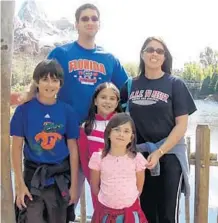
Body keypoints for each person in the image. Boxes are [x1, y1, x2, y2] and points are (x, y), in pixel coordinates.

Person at [121, 36, 197, 223]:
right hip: (140, 157)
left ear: (165, 57)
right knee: (145, 212)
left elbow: (182, 124)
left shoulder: (175, 84)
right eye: (150, 49)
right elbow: (116, 117)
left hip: (169, 156)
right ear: (142, 54)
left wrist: (160, 152)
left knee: (167, 215)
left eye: (159, 51)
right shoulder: (130, 85)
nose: (154, 53)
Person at [20, 3, 128, 124]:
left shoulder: (110, 59)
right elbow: (37, 83)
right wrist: (26, 110)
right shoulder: (60, 54)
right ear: (76, 24)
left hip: (97, 132)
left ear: (99, 24)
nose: (90, 22)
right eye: (85, 19)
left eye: (94, 19)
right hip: (64, 127)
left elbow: (128, 90)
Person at [10, 59, 80, 223]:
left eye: (55, 80)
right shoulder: (23, 110)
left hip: (59, 178)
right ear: (37, 82)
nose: (50, 84)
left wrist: (74, 186)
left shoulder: (67, 111)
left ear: (60, 84)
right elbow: (16, 148)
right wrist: (20, 186)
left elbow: (73, 150)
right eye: (45, 79)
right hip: (33, 177)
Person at [89, 113, 148, 223]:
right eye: (117, 129)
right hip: (105, 213)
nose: (121, 134)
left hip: (130, 214)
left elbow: (139, 188)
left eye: (126, 131)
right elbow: (95, 186)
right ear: (108, 133)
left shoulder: (137, 159)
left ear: (131, 137)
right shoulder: (98, 158)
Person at [78, 82, 122, 208]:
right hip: (98, 186)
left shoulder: (124, 126)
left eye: (112, 98)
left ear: (117, 103)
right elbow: (85, 160)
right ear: (95, 101)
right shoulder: (86, 128)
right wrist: (94, 184)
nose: (107, 101)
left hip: (122, 184)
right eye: (103, 97)